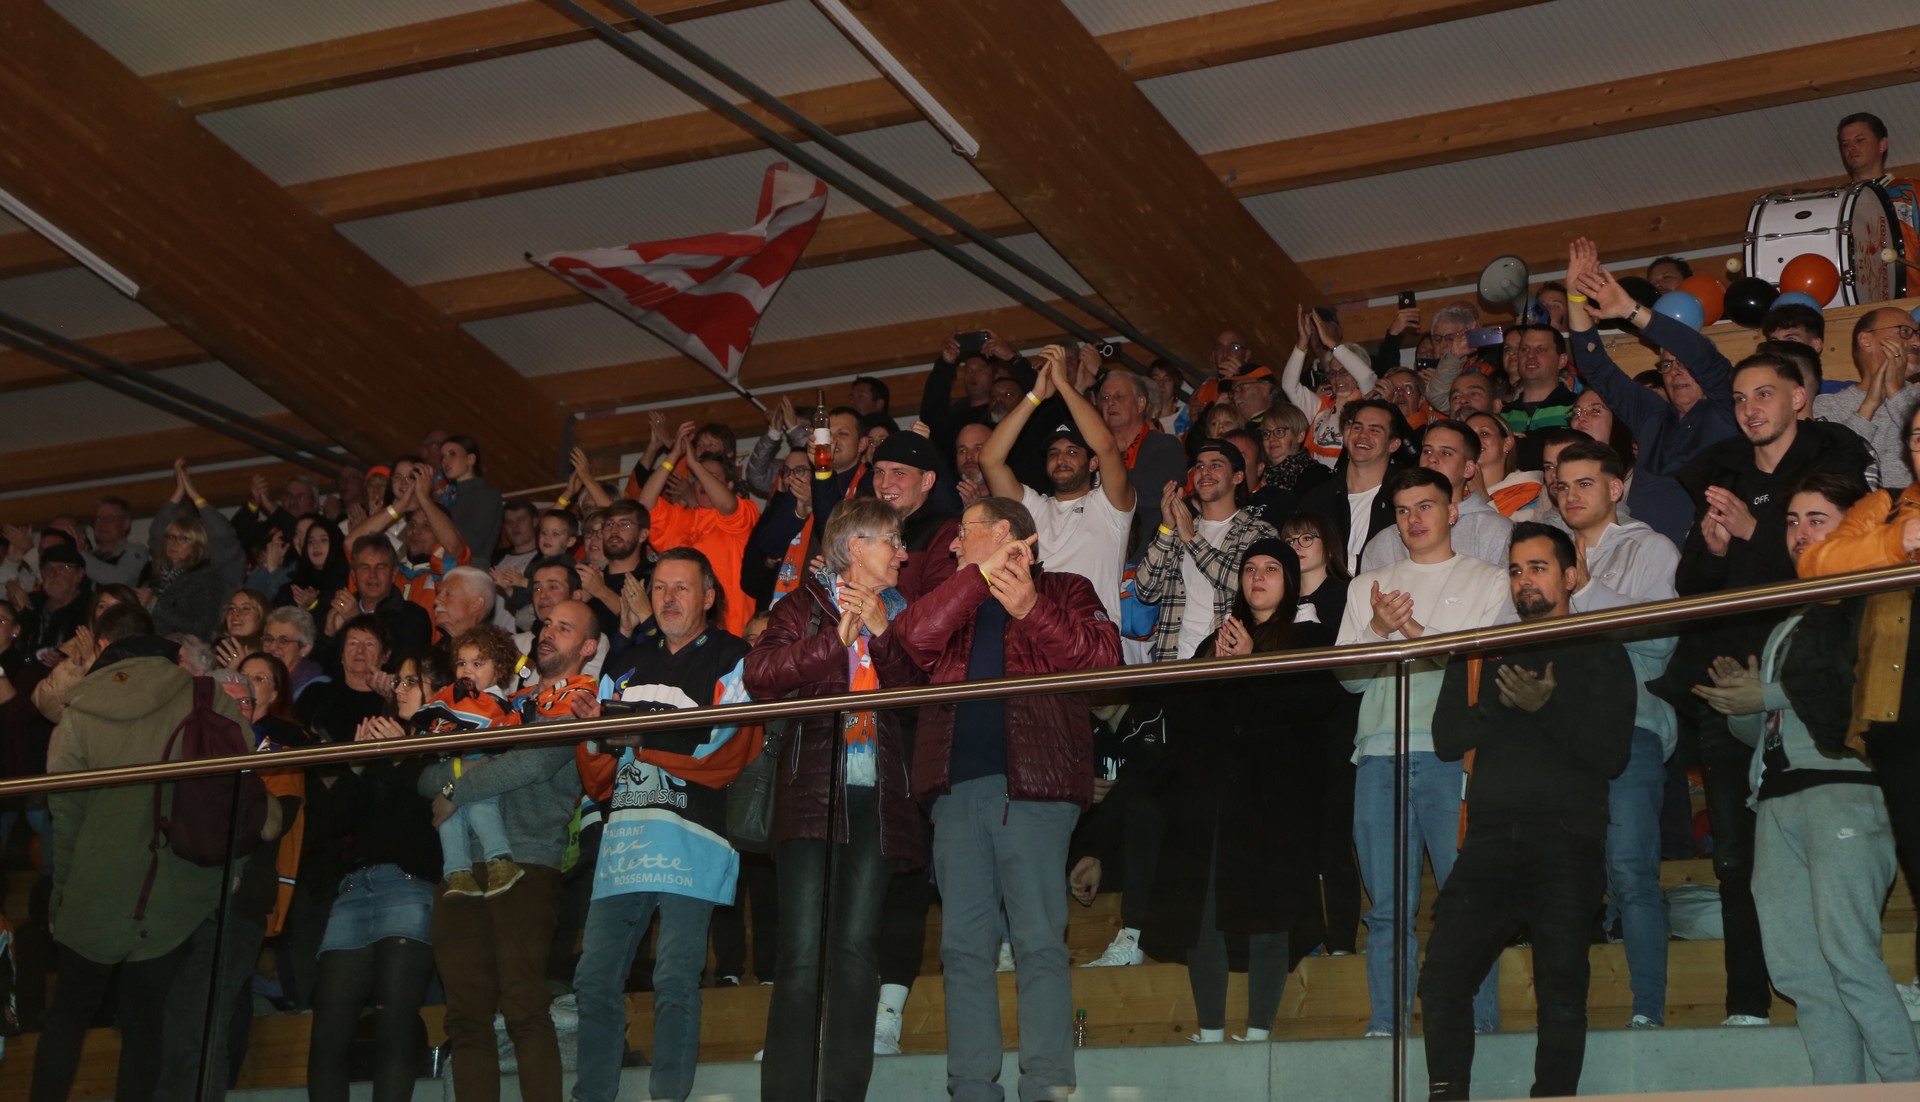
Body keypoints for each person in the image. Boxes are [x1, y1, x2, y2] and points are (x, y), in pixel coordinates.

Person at [884, 496, 1121, 1102]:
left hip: (1035, 790)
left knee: (1039, 939)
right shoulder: (953, 596)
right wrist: (976, 581)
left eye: (965, 532)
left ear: (1005, 532)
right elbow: (911, 643)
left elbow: (1104, 663)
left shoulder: (1065, 589)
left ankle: (1046, 1083)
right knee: (963, 947)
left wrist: (1032, 610)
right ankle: (971, 1086)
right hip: (953, 792)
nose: (953, 544)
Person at [1698, 470, 1920, 1083]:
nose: (1800, 533)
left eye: (1817, 520)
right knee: (1800, 972)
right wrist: (1740, 704)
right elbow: (1770, 729)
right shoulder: (1791, 620)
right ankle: (1840, 1091)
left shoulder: (1875, 599)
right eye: (1792, 521)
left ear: (1853, 529)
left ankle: (1906, 1084)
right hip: (1776, 800)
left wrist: (1766, 692)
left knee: (1851, 959)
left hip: (1844, 791)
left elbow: (1857, 691)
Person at [1676, 353, 1872, 1028]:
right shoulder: (1722, 474)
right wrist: (1715, 549)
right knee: (1734, 854)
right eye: (1739, 397)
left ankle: (1849, 992)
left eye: (1764, 394)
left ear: (1800, 399)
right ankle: (1745, 1002)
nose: (1750, 408)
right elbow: (1690, 588)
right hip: (1724, 677)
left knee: (1827, 852)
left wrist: (1755, 534)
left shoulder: (1834, 463)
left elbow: (1833, 569)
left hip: (1807, 681)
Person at [1423, 523, 1635, 1099]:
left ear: (1570, 576)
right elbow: (1446, 739)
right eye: (1516, 570)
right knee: (1441, 979)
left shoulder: (1600, 648)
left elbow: (1613, 756)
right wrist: (1504, 707)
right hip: (1488, 841)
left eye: (1538, 568)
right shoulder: (1484, 649)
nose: (1524, 581)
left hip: (1566, 840)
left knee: (1561, 991)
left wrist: (1548, 707)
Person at [745, 499, 928, 1102]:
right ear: (856, 547)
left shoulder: (897, 611)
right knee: (801, 956)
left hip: (877, 796)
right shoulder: (802, 606)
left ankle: (843, 1093)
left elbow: (917, 695)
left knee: (855, 954)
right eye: (892, 541)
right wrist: (835, 642)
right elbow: (759, 674)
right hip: (810, 794)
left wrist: (884, 637)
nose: (903, 553)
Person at [34, 604, 240, 1102]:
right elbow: (240, 786)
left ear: (104, 646)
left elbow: (65, 813)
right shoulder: (207, 694)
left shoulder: (79, 708)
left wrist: (63, 895)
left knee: (68, 1015)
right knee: (145, 1022)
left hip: (95, 885)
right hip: (176, 886)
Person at [570, 551, 754, 1102]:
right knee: (593, 979)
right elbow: (598, 776)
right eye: (659, 588)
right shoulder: (625, 662)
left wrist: (638, 738)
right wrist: (593, 734)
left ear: (708, 597)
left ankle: (668, 1097)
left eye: (682, 588)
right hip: (624, 837)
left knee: (675, 977)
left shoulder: (734, 657)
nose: (669, 598)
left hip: (693, 837)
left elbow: (725, 750)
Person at [1337, 468, 1512, 1038]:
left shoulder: (1490, 579)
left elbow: (1472, 669)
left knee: (1466, 898)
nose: (1414, 519)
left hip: (1451, 755)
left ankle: (1476, 1025)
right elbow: (1348, 680)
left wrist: (1406, 627)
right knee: (1387, 908)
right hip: (1378, 753)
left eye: (1426, 506)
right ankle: (1387, 1025)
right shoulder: (1368, 585)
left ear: (1453, 511)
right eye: (1403, 510)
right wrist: (1375, 631)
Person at [1144, 538, 1339, 1043]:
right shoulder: (1218, 639)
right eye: (1250, 568)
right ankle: (1210, 1034)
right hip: (1212, 802)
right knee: (1204, 914)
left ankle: (1258, 1035)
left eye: (1271, 568)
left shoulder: (1309, 637)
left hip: (1274, 804)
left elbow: (1312, 705)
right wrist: (1213, 668)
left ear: (1289, 581)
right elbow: (1184, 714)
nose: (1258, 577)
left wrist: (1253, 663)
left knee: (1269, 919)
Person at [417, 601, 591, 1102]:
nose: (548, 632)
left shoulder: (578, 700)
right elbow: (423, 775)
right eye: (546, 624)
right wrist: (457, 776)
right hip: (459, 867)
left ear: (588, 647)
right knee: (465, 1017)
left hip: (528, 861)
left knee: (524, 1007)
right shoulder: (483, 704)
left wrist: (456, 786)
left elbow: (531, 765)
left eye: (564, 627)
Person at [1794, 399, 1920, 1019]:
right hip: (1903, 717)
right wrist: (1900, 540)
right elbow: (1817, 564)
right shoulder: (1885, 507)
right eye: (1918, 435)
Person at [1553, 440, 1680, 1028]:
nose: (1570, 494)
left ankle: (1648, 1011)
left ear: (1615, 487)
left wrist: (1583, 590)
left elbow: (1661, 641)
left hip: (1632, 729)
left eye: (1584, 483)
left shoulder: (1650, 548)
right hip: (1560, 737)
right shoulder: (1544, 552)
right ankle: (1566, 1019)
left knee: (1630, 871)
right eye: (1562, 485)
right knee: (1566, 880)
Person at [304, 649, 451, 1102]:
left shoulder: (444, 742)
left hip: (409, 887)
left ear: (436, 689)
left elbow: (430, 815)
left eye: (411, 681)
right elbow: (331, 822)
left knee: (394, 1022)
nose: (400, 690)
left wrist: (400, 756)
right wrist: (355, 763)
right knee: (327, 1032)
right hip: (353, 891)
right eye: (399, 682)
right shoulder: (381, 747)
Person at [1566, 236, 1738, 547]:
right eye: (1667, 365)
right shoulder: (1655, 417)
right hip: (1638, 558)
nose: (1676, 371)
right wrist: (1575, 296)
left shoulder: (1729, 409)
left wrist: (1628, 309)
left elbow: (1701, 354)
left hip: (1704, 557)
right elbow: (1595, 366)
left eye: (1685, 363)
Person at [983, 345, 1135, 622]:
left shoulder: (1111, 505)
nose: (1061, 459)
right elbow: (989, 460)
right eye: (1053, 453)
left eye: (1072, 451)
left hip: (1093, 636)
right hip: (1038, 635)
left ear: (1093, 463)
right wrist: (1035, 396)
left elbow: (1106, 445)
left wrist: (1064, 385)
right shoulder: (1033, 506)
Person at [1133, 442, 1278, 663]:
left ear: (1237, 477)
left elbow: (1244, 583)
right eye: (1199, 466)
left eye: (1216, 465)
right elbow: (1145, 590)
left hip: (1225, 660)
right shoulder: (1178, 529)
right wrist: (1167, 527)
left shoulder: (1259, 532)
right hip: (1174, 660)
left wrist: (1192, 540)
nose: (1205, 472)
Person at [636, 420, 761, 636]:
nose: (703, 482)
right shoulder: (681, 518)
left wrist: (695, 465)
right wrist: (674, 455)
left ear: (729, 485)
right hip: (685, 634)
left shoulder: (744, 511)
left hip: (732, 633)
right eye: (699, 478)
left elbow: (728, 505)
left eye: (712, 477)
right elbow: (644, 506)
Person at [1358, 418, 1510, 570]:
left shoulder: (1495, 530)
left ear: (1468, 468)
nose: (1431, 459)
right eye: (1427, 451)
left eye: (1446, 453)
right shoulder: (1385, 542)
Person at [1296, 400, 1409, 572]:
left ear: (1393, 444)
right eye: (1357, 427)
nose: (1362, 435)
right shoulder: (1317, 499)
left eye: (1374, 430)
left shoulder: (1406, 500)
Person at [1815, 306, 1920, 490]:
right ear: (1866, 340)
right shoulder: (1827, 405)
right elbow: (1829, 468)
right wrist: (1868, 406)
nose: (1917, 342)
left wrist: (1896, 392)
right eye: (1905, 332)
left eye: (1918, 334)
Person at [1094, 366, 1188, 558]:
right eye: (1105, 398)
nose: (1110, 403)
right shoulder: (1092, 450)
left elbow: (1156, 498)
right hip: (1098, 553)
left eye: (1119, 397)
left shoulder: (1165, 446)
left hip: (1148, 557)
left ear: (1141, 403)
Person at [1280, 306, 1378, 467]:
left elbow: (1367, 377)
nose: (1337, 378)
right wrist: (1302, 345)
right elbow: (1289, 386)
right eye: (1332, 373)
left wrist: (1332, 344)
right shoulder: (1321, 405)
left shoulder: (1370, 400)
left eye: (1344, 371)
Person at [1837, 111, 1920, 262]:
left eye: (1859, 140)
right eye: (1845, 144)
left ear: (1882, 145)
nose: (1851, 147)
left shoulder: (1911, 191)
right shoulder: (1837, 201)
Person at [438, 434, 504, 569]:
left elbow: (471, 542)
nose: (445, 461)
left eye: (452, 454)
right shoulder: (447, 497)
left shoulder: (488, 495)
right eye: (442, 457)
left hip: (471, 571)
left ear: (471, 459)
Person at [1467, 411, 1544, 519]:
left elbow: (1509, 530)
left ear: (1507, 444)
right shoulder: (1452, 488)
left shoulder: (1531, 492)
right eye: (1468, 436)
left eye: (1484, 433)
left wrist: (1482, 497)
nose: (1474, 440)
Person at [82, 495, 148, 588]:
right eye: (98, 519)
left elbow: (122, 580)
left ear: (126, 523)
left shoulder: (136, 550)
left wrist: (81, 558)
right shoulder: (89, 555)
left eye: (110, 518)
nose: (102, 524)